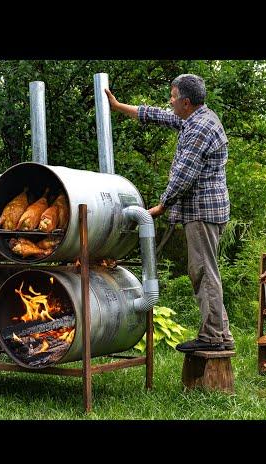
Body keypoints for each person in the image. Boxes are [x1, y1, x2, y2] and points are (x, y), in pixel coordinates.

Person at [106, 73, 235, 352]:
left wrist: (161, 206)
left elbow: (184, 176)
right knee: (204, 270)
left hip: (202, 212)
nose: (170, 101)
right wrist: (119, 107)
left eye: (174, 97)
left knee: (203, 271)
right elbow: (159, 115)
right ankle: (220, 333)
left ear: (186, 102)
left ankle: (213, 337)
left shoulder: (199, 128)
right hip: (203, 211)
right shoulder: (196, 117)